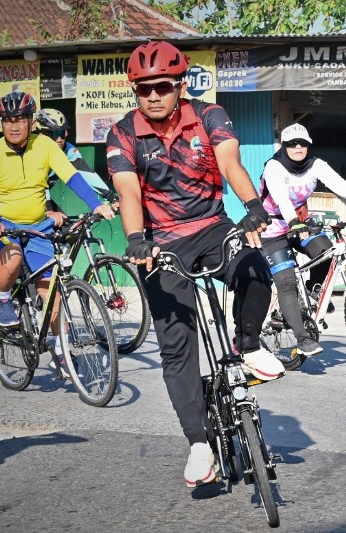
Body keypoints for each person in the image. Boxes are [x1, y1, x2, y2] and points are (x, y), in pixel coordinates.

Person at [105, 41, 284, 488]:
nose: (153, 95)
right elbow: (128, 192)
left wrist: (252, 205)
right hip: (160, 242)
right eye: (143, 88)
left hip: (211, 225)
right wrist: (135, 239)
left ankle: (248, 346)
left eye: (162, 86)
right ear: (135, 89)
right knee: (177, 347)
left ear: (179, 85)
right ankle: (199, 444)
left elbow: (230, 162)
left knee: (254, 265)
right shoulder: (123, 133)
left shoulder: (209, 115)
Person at [0, 91, 115, 377]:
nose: (14, 126)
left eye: (20, 119)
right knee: (12, 259)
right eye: (8, 120)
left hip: (38, 226)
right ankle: (3, 300)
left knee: (51, 295)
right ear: (2, 123)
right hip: (3, 224)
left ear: (30, 121)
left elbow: (72, 176)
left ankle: (61, 352)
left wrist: (97, 204)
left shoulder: (46, 145)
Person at [258, 123, 346, 356]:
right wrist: (292, 220)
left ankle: (313, 291)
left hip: (300, 225)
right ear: (284, 146)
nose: (298, 147)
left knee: (327, 253)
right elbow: (280, 197)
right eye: (292, 144)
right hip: (272, 230)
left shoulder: (315, 164)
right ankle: (303, 338)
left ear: (309, 145)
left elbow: (339, 185)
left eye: (303, 143)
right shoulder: (274, 167)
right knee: (286, 283)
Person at [34, 108, 120, 227]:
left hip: (42, 201)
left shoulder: (67, 149)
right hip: (26, 202)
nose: (59, 139)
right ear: (41, 134)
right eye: (54, 134)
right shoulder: (35, 152)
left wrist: (112, 198)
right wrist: (49, 210)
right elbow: (39, 185)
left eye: (62, 133)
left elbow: (87, 173)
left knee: (68, 233)